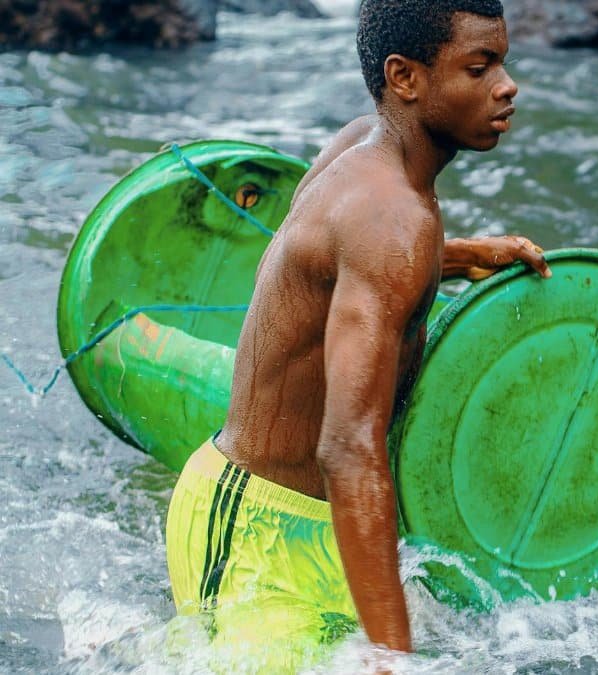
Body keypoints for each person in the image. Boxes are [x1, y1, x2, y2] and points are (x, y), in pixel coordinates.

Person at [164, 0, 549, 666]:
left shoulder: (364, 149)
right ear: (405, 77)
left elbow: (321, 256)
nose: (506, 85)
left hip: (328, 526)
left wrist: (458, 255)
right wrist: (397, 659)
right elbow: (347, 447)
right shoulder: (394, 219)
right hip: (255, 533)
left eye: (503, 62)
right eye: (479, 67)